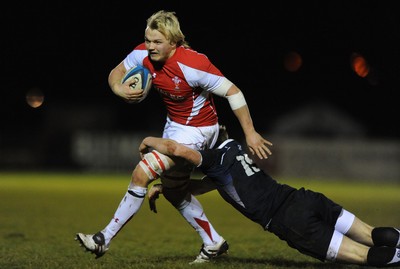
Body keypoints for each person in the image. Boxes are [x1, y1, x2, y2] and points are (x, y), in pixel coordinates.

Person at [76, 9, 272, 264]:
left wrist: (251, 133)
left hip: (200, 129)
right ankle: (213, 241)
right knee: (174, 192)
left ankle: (103, 239)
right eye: (148, 40)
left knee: (141, 173)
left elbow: (234, 92)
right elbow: (116, 71)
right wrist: (119, 89)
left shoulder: (194, 64)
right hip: (174, 127)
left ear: (174, 42)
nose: (150, 47)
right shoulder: (142, 54)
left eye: (157, 42)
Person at [137, 134, 400, 267]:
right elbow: (203, 186)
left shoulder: (212, 160)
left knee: (362, 255)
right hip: (304, 198)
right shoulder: (232, 148)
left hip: (290, 220)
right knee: (371, 233)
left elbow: (174, 149)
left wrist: (149, 140)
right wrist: (165, 187)